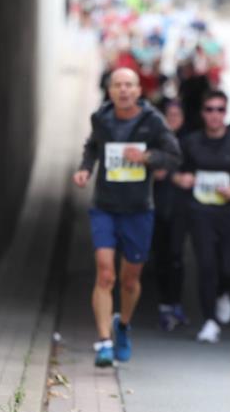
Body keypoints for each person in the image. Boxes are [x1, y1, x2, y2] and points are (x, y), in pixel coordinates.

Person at [73, 68, 182, 367]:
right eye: (118, 85)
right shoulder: (101, 118)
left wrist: (147, 158)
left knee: (130, 280)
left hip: (138, 210)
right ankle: (104, 342)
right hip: (105, 207)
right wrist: (86, 168)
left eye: (129, 85)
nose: (123, 90)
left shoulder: (152, 121)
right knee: (105, 273)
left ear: (138, 91)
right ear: (110, 91)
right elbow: (93, 145)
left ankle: (122, 325)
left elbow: (173, 156)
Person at [175, 91, 230, 342]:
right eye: (209, 109)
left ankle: (223, 292)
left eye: (220, 109)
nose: (214, 114)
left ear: (226, 112)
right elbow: (173, 170)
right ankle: (210, 320)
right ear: (203, 113)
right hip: (201, 212)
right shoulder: (191, 142)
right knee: (207, 265)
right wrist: (182, 178)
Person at [152, 99, 191, 332]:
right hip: (156, 206)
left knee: (177, 257)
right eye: (170, 115)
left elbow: (195, 171)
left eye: (177, 114)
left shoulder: (189, 141)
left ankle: (174, 303)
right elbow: (154, 172)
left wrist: (170, 173)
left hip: (180, 209)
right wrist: (173, 176)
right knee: (161, 258)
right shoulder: (155, 141)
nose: (173, 118)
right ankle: (164, 304)